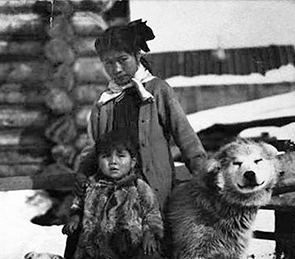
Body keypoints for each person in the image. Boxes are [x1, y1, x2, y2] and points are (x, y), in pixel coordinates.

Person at [76, 19, 206, 211]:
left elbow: (186, 138)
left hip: (155, 193)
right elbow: (95, 146)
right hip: (115, 196)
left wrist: (204, 176)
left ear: (137, 56)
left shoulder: (157, 90)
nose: (117, 69)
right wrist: (82, 172)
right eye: (109, 63)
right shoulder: (104, 101)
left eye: (122, 60)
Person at [62, 130, 166, 259]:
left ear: (133, 161)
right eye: (105, 156)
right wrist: (75, 217)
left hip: (129, 257)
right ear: (98, 161)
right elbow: (78, 205)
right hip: (96, 256)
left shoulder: (139, 187)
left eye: (121, 156)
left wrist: (150, 233)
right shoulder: (91, 185)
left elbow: (152, 213)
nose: (113, 162)